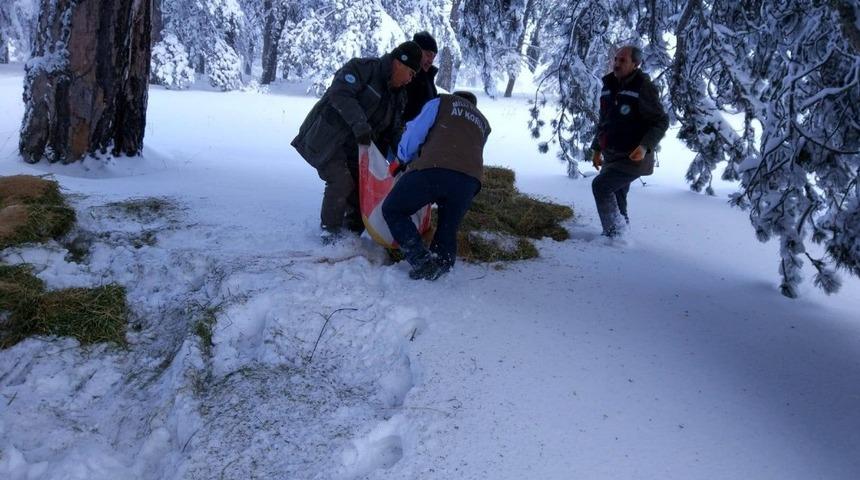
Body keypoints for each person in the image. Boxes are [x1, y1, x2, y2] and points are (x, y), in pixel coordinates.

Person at [291, 41, 423, 243]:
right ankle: (330, 235)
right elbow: (340, 94)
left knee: (364, 194)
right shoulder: (363, 69)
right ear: (399, 63)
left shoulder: (399, 97)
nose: (409, 81)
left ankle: (349, 236)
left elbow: (394, 130)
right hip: (327, 139)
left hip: (356, 151)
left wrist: (403, 155)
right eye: (411, 74)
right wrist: (359, 125)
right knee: (341, 182)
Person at [382, 91, 491, 280]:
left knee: (393, 209)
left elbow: (415, 132)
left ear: (456, 97)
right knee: (448, 226)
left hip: (434, 169)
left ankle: (421, 259)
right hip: (470, 180)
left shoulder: (442, 102)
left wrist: (401, 158)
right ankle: (442, 265)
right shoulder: (482, 122)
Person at [590, 45, 669, 237]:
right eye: (616, 59)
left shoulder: (643, 88)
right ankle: (620, 239)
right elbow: (605, 121)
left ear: (635, 64)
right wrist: (596, 149)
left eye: (623, 60)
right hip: (612, 155)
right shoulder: (608, 86)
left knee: (601, 186)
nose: (617, 63)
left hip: (634, 158)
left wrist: (644, 147)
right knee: (617, 195)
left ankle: (613, 235)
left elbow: (661, 121)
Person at [403, 31, 439, 122]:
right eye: (428, 55)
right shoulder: (402, 72)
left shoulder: (428, 77)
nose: (431, 61)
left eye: (433, 57)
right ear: (416, 50)